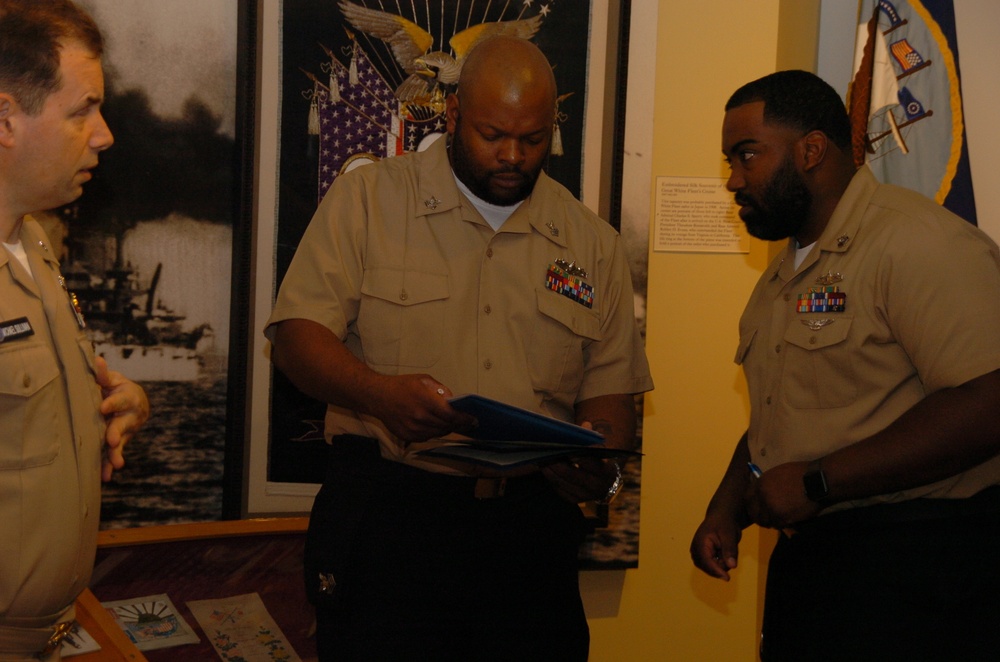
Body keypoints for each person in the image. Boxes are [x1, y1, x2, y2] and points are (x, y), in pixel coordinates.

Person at [267, 35, 652, 660]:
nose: (512, 156)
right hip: (393, 518)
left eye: (532, 140)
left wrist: (593, 457)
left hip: (527, 536)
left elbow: (611, 395)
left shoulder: (591, 243)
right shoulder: (368, 201)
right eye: (492, 134)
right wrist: (381, 396)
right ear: (451, 117)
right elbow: (295, 339)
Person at [690, 69, 1000, 661]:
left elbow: (988, 402)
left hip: (924, 568)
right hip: (822, 570)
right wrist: (725, 509)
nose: (733, 179)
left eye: (747, 155)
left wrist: (817, 481)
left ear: (811, 149)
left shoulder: (915, 241)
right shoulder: (781, 277)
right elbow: (786, 415)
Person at [0, 1, 149, 659]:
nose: (104, 134)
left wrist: (113, 405)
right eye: (81, 110)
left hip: (51, 634)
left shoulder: (35, 245)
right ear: (4, 119)